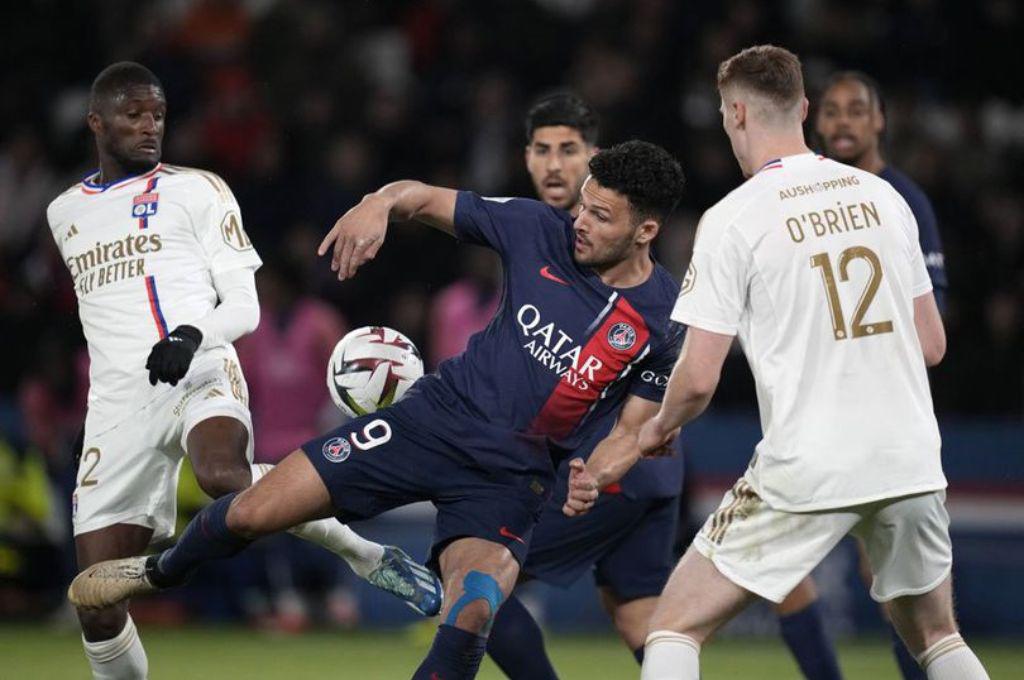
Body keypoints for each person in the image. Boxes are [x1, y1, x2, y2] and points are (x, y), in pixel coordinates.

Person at [69, 139, 687, 680]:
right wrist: (378, 204)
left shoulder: (664, 318)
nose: (579, 221)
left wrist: (596, 474)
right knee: (255, 510)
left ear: (646, 231)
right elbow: (416, 196)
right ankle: (162, 571)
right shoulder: (535, 227)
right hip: (431, 423)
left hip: (511, 479)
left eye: (600, 216)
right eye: (582, 202)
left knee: (473, 608)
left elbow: (634, 427)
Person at [567, 45, 990, 680]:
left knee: (673, 628)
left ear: (736, 112)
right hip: (910, 456)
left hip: (810, 462)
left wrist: (654, 430)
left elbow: (699, 377)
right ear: (805, 109)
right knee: (937, 639)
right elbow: (931, 345)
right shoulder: (883, 198)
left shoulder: (735, 218)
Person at [49, 62, 440, 680]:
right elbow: (103, 316)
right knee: (97, 598)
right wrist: (97, 406)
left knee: (222, 475)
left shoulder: (200, 189)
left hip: (200, 362)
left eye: (158, 115)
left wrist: (190, 334)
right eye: (133, 115)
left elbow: (245, 306)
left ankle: (363, 554)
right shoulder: (64, 212)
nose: (150, 127)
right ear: (96, 122)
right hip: (118, 402)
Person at [485, 93, 686, 677]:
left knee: (477, 576)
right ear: (525, 158)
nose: (555, 166)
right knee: (637, 614)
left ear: (596, 160)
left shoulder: (611, 244)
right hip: (646, 470)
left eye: (569, 152)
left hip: (607, 465)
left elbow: (662, 343)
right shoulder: (543, 232)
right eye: (543, 151)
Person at [812, 69, 952, 680]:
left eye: (856, 110)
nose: (843, 121)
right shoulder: (805, 198)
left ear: (879, 121)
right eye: (832, 110)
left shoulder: (906, 202)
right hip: (812, 414)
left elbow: (931, 333)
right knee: (779, 573)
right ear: (815, 121)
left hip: (881, 418)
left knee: (903, 591)